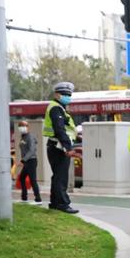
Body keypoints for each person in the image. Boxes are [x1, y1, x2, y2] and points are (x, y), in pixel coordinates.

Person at [43, 82, 79, 214]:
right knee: (61, 177)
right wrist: (68, 148)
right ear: (57, 94)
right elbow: (59, 130)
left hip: (56, 145)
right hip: (58, 147)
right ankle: (63, 204)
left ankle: (54, 203)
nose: (67, 97)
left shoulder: (59, 108)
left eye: (69, 95)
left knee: (57, 176)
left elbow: (66, 129)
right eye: (64, 94)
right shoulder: (56, 108)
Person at [18, 121, 42, 205]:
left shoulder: (30, 137)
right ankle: (24, 198)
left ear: (28, 127)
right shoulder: (23, 137)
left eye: (23, 126)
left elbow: (32, 150)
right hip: (27, 162)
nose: (21, 127)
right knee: (22, 178)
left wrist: (23, 160)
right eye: (20, 126)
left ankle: (38, 199)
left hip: (31, 160)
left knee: (33, 180)